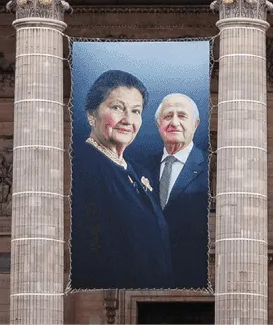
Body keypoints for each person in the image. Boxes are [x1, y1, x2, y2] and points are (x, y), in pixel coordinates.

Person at [70, 69, 173, 289]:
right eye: (117, 107)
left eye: (136, 111)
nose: (128, 119)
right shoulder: (79, 167)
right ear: (91, 114)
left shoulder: (137, 171)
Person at [138, 92, 209, 288]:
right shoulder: (140, 168)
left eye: (182, 116)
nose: (174, 122)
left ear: (195, 124)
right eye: (168, 116)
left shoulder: (212, 166)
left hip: (196, 268)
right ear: (158, 124)